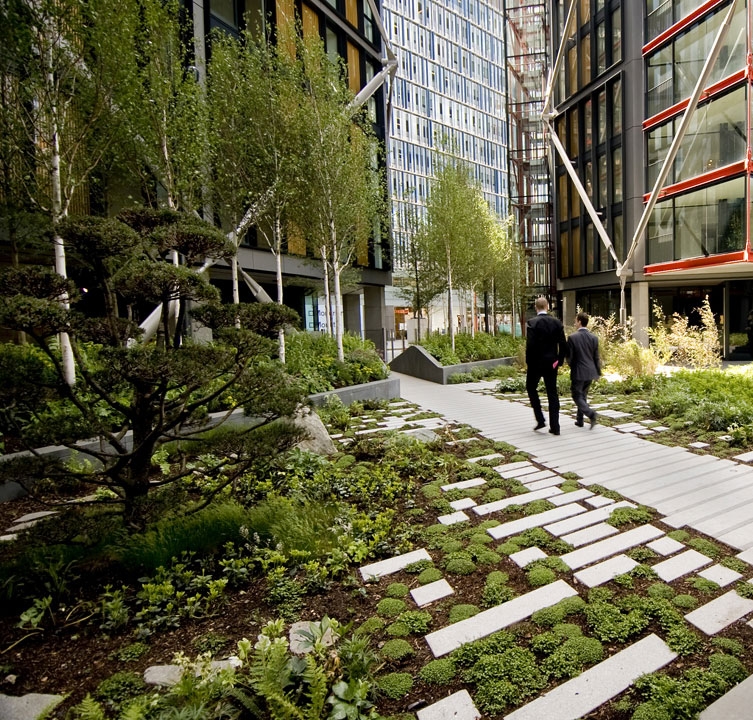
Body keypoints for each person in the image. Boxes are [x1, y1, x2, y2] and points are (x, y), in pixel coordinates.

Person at [526, 297, 567, 435]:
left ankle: (540, 419)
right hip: (551, 364)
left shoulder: (532, 323)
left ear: (536, 307)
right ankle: (555, 427)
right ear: (547, 307)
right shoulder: (557, 323)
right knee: (552, 393)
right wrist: (559, 361)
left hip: (536, 364)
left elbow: (530, 346)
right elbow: (563, 344)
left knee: (531, 388)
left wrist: (529, 363)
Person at [567, 311, 602, 429]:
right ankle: (579, 420)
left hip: (578, 371)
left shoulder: (572, 337)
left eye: (576, 321)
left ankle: (591, 414)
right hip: (591, 371)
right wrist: (598, 372)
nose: (574, 323)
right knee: (583, 395)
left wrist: (571, 366)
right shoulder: (594, 338)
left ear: (580, 321)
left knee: (576, 395)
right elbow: (596, 357)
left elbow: (570, 357)